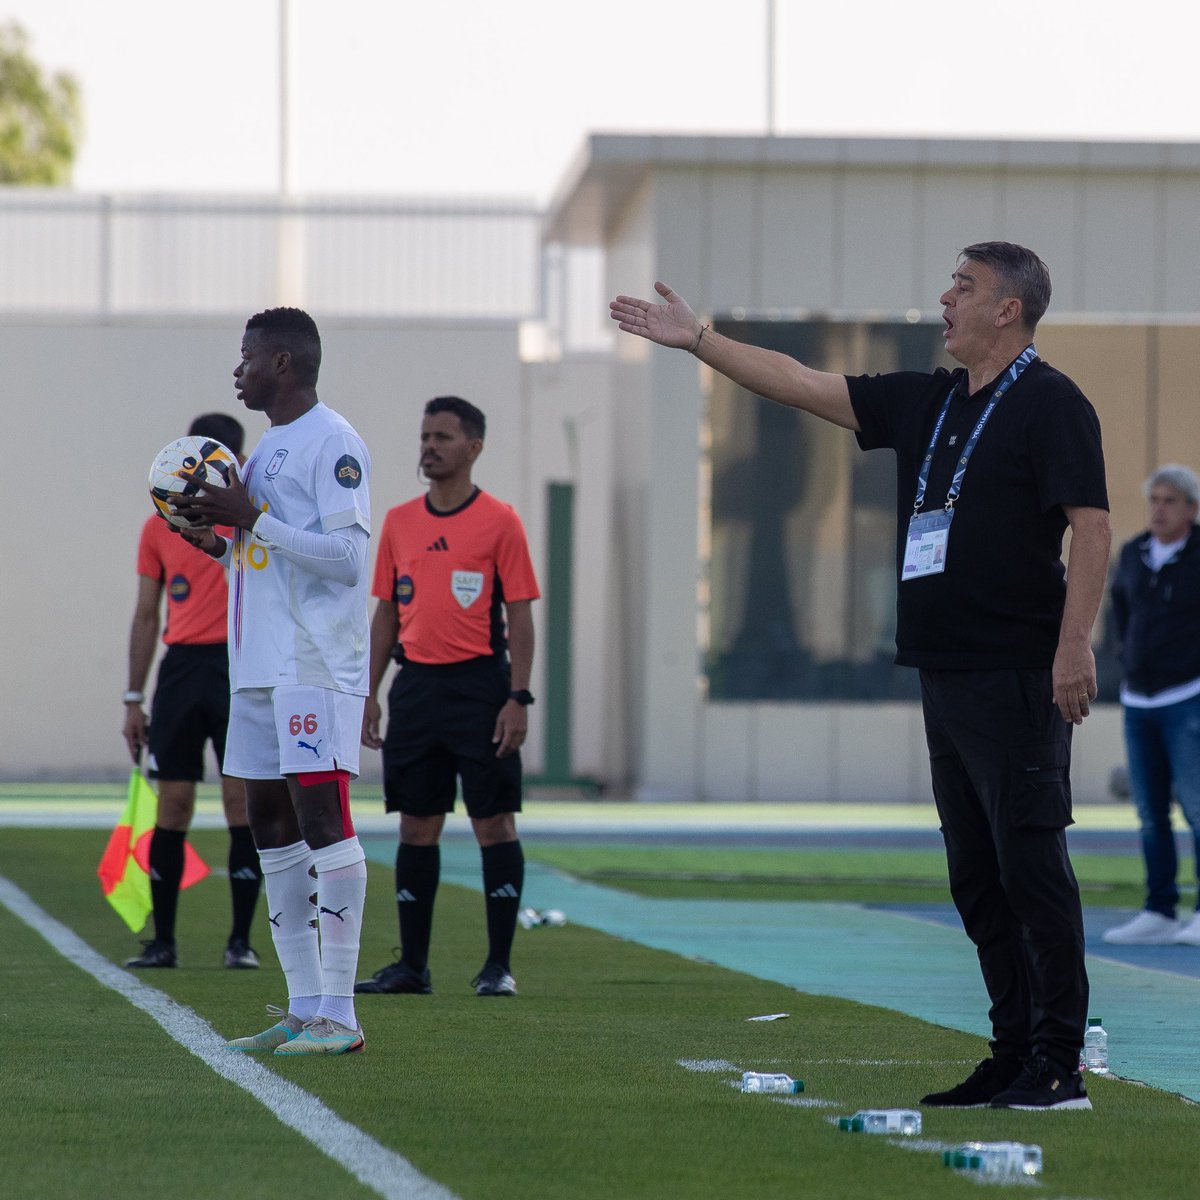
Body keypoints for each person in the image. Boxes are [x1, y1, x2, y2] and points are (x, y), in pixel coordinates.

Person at [610, 241, 1111, 1111]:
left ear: (1008, 310)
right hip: (945, 672)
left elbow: (1092, 528)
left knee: (1031, 871)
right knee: (977, 879)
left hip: (1016, 674)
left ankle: (1059, 1063)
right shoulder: (931, 400)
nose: (945, 298)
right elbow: (800, 382)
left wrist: (1075, 646)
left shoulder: (1053, 402)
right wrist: (700, 341)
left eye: (964, 286)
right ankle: (1013, 1052)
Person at [170, 307, 373, 1056]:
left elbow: (347, 559)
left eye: (247, 356)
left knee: (323, 822)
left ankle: (342, 1016)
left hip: (312, 665)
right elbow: (265, 556)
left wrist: (251, 517)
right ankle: (303, 1007)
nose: (238, 370)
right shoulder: (264, 450)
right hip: (256, 666)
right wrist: (217, 543)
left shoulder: (333, 440)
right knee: (270, 828)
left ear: (282, 363)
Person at [355, 395, 539, 999]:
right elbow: (386, 613)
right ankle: (412, 966)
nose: (429, 447)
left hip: (481, 688)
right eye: (425, 436)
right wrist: (370, 692)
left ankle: (497, 967)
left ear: (474, 447)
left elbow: (520, 617)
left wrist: (518, 697)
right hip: (417, 690)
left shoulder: (501, 521)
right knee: (416, 825)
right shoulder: (399, 522)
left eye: (443, 437)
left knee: (495, 823)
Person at [122, 412, 263, 970]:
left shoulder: (253, 518)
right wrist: (133, 698)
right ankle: (163, 941)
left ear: (236, 462)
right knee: (173, 804)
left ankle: (241, 942)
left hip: (237, 664)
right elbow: (145, 614)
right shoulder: (160, 524)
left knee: (240, 803)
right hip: (181, 671)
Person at [1104, 464, 1200, 946]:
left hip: (1188, 697)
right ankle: (1159, 909)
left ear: (1191, 509)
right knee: (1149, 811)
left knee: (1197, 807)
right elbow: (1120, 614)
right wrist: (1125, 659)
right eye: (1154, 500)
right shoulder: (1133, 553)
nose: (1159, 509)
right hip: (1138, 698)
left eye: (1170, 501)